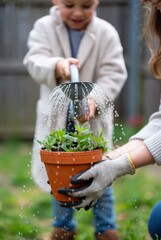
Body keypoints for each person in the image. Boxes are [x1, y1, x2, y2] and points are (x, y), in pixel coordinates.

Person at [23, 0, 127, 239]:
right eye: (69, 5)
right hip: (57, 122)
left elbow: (114, 72)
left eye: (87, 5)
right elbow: (34, 60)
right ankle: (63, 228)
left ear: (97, 3)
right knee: (58, 178)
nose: (78, 12)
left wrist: (95, 101)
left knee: (101, 173)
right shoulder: (43, 27)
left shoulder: (106, 33)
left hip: (92, 121)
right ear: (56, 1)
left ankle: (106, 228)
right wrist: (56, 66)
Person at [59, 0, 161, 239]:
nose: (153, 4)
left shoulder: (105, 32)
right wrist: (108, 160)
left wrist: (121, 165)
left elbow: (114, 73)